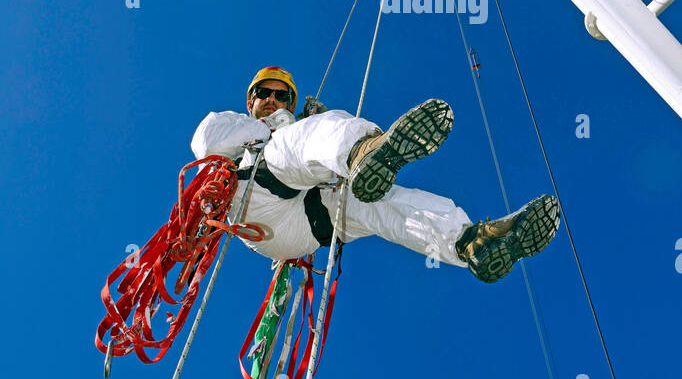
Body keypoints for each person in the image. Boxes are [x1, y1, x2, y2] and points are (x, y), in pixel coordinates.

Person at [191, 66, 560, 283]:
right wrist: (278, 127)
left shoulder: (297, 129)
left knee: (378, 203)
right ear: (250, 100)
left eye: (281, 95)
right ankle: (359, 152)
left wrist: (303, 128)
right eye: (263, 93)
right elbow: (207, 142)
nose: (272, 100)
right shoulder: (237, 124)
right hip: (256, 206)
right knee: (307, 136)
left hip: (306, 228)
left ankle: (469, 243)